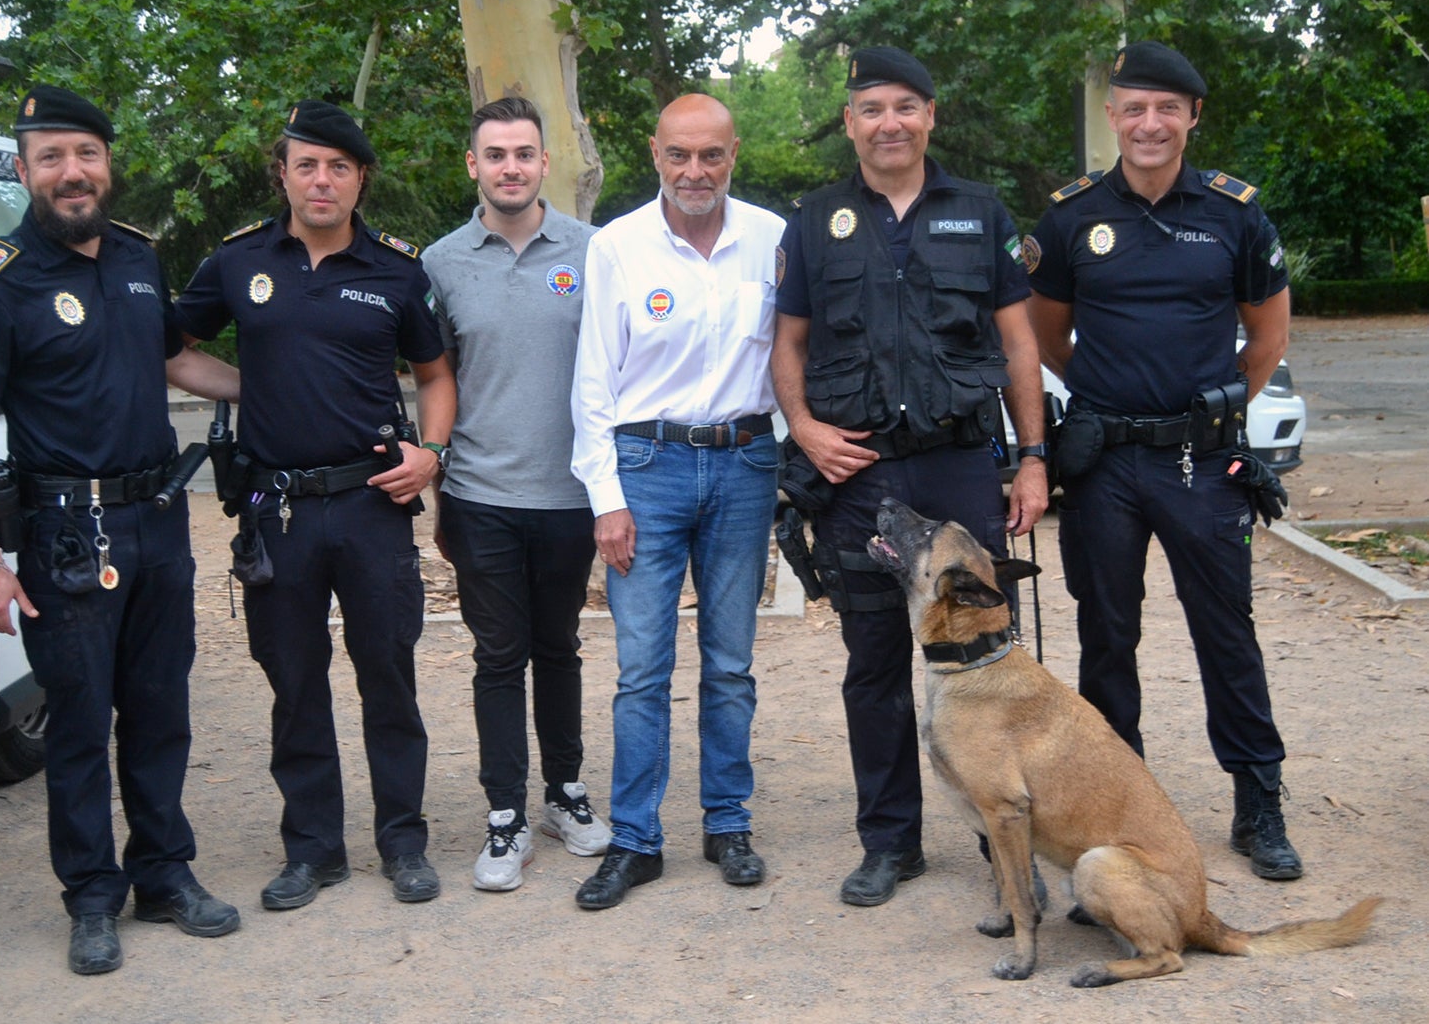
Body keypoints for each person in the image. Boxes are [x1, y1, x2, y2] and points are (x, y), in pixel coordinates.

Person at [0, 85, 243, 975]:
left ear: (108, 164)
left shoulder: (140, 259)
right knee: (78, 725)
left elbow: (176, 355)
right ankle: (92, 897)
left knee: (160, 711)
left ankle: (164, 873)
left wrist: (279, 393)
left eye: (87, 155)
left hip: (158, 520)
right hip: (67, 536)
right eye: (52, 157)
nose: (73, 173)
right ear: (25, 171)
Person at [771, 46, 1050, 908]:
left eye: (905, 106)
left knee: (985, 656)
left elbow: (1018, 344)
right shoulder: (815, 220)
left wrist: (1034, 456)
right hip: (860, 476)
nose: (888, 122)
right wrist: (808, 430)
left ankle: (1000, 835)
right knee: (875, 660)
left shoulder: (979, 211)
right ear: (850, 121)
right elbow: (788, 344)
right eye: (870, 108)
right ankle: (891, 841)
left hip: (962, 466)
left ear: (931, 115)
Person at [1024, 40, 1301, 881]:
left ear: (1192, 117)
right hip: (1105, 465)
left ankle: (1258, 803)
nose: (1150, 123)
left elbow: (1269, 336)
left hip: (1202, 464)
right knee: (1107, 636)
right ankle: (1115, 801)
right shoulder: (1070, 218)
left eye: (1166, 108)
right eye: (1134, 107)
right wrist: (1115, 401)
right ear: (1113, 115)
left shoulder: (1235, 214)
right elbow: (1046, 335)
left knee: (1228, 633)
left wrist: (1208, 409)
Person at [173, 100, 456, 909]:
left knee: (388, 677)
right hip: (278, 510)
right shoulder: (235, 263)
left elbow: (436, 376)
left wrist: (429, 455)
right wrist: (248, 388)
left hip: (371, 503)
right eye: (307, 164)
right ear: (285, 174)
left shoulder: (397, 270)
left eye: (338, 165)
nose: (322, 179)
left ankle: (403, 841)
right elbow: (172, 348)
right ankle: (313, 848)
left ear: (360, 177)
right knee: (294, 683)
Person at [569, 93, 783, 909]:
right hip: (644, 467)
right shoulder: (618, 245)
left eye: (712, 156)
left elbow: (789, 354)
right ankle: (635, 839)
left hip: (743, 464)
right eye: (679, 156)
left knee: (730, 664)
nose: (695, 172)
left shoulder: (773, 239)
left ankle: (728, 822)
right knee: (641, 670)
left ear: (735, 154)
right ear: (655, 152)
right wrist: (606, 497)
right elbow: (593, 379)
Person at [421, 96, 611, 892]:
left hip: (569, 493)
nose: (510, 167)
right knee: (498, 655)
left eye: (524, 154)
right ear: (474, 165)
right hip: (480, 495)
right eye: (494, 154)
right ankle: (504, 813)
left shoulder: (596, 251)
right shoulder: (436, 262)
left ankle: (564, 792)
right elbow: (431, 378)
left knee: (558, 646)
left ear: (544, 163)